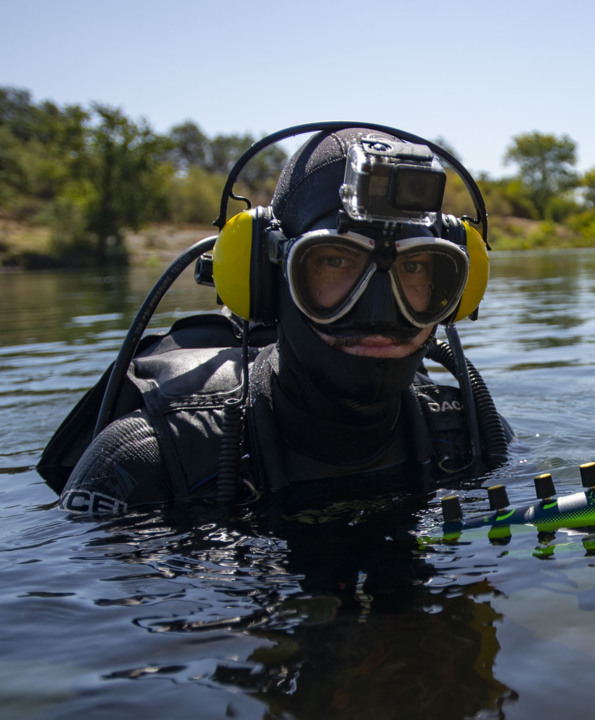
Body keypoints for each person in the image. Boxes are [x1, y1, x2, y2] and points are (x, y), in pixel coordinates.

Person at [38, 124, 510, 516]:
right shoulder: (148, 461)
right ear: (266, 279)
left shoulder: (468, 432)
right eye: (335, 262)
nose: (378, 312)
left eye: (414, 267)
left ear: (453, 291)